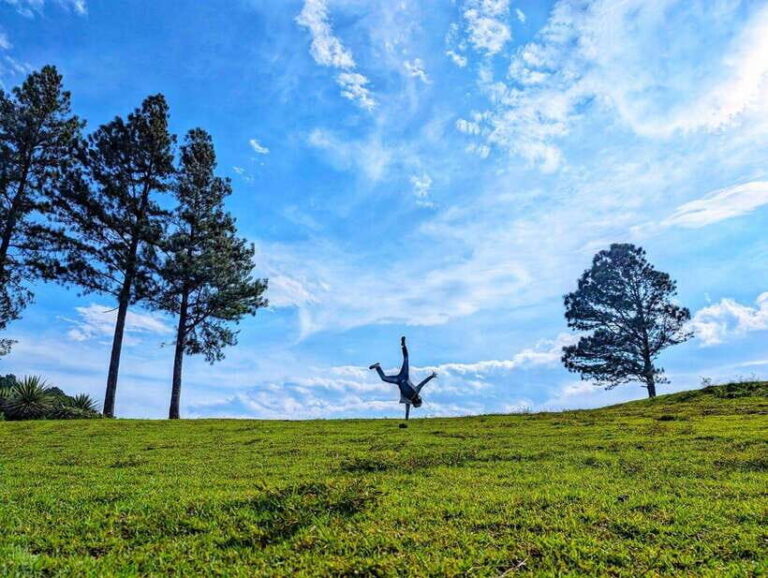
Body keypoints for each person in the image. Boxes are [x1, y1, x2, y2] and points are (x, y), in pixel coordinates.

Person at [369, 336, 437, 420]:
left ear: (416, 401)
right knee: (405, 359)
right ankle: (403, 345)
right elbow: (423, 383)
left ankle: (378, 367)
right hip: (404, 376)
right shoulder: (415, 393)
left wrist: (406, 419)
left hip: (398, 380)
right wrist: (431, 376)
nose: (418, 397)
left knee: (384, 377)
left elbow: (407, 410)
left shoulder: (409, 399)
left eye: (418, 400)